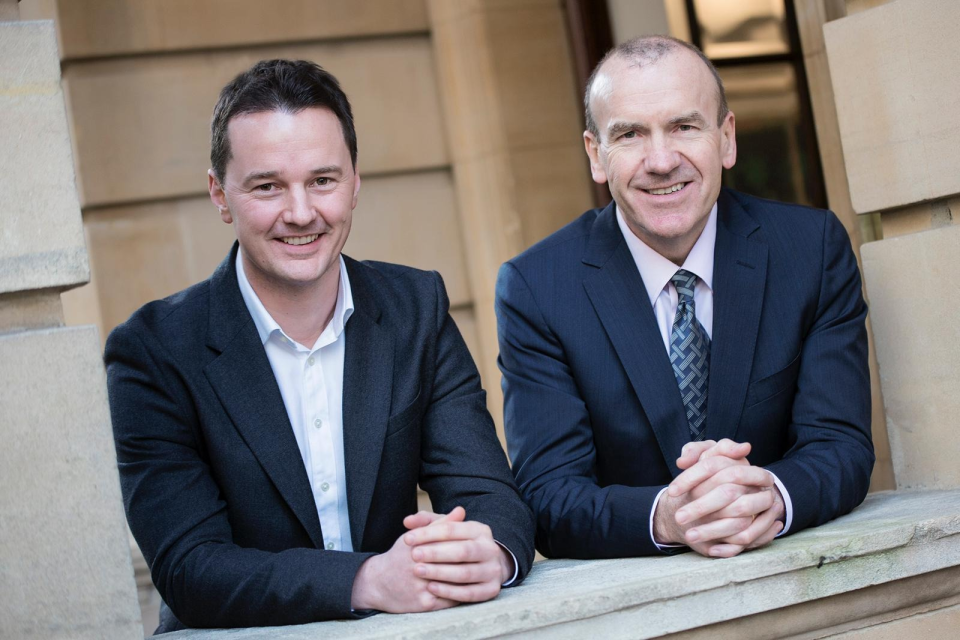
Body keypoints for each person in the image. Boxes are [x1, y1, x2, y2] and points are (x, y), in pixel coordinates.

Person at [105, 59, 534, 632]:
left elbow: (489, 494)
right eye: (267, 186)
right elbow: (191, 568)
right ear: (220, 194)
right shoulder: (153, 352)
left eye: (322, 180)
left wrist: (492, 554)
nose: (301, 212)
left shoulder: (415, 308)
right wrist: (366, 581)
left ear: (354, 183)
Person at [495, 36, 874, 560]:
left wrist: (770, 498)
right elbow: (549, 496)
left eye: (684, 127)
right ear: (595, 154)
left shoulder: (811, 251)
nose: (661, 160)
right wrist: (669, 517)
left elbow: (841, 445)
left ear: (726, 138)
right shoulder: (537, 288)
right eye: (629, 134)